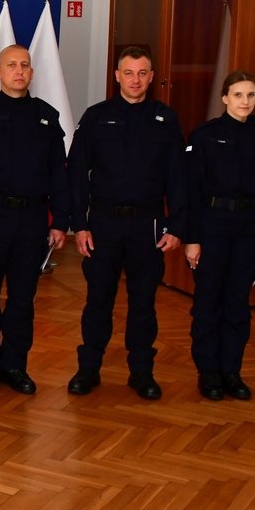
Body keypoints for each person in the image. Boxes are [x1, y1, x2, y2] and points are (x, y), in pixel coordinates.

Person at [66, 45, 185, 400]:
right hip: (103, 224)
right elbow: (76, 173)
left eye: (142, 73)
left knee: (143, 303)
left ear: (152, 77)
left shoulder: (166, 119)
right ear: (117, 76)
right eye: (129, 73)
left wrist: (177, 225)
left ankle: (142, 372)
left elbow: (178, 177)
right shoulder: (96, 117)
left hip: (148, 225)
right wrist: (79, 224)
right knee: (98, 300)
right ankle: (88, 369)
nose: (135, 80)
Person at [0, 44, 68, 396]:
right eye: (11, 65)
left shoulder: (47, 116)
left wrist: (60, 220)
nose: (19, 71)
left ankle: (15, 365)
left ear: (31, 72)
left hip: (32, 219)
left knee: (23, 299)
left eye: (24, 65)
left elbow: (59, 174)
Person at [184, 72, 255, 400]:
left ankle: (231, 371)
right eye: (238, 94)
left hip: (249, 229)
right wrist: (192, 239)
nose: (245, 101)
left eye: (251, 95)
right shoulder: (205, 135)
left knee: (238, 304)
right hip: (213, 226)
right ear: (225, 97)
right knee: (208, 301)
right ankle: (208, 372)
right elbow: (192, 191)